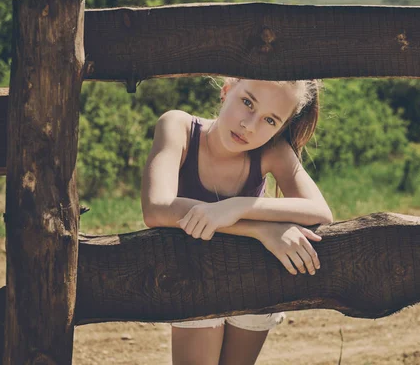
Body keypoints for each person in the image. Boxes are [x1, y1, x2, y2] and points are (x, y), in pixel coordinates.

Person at [140, 77, 333, 365]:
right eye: (247, 103)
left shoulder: (272, 151)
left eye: (270, 120)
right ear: (227, 90)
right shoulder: (179, 127)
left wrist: (236, 207)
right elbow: (156, 208)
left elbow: (320, 211)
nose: (250, 125)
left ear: (280, 128)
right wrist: (260, 230)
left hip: (252, 278)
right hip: (193, 276)